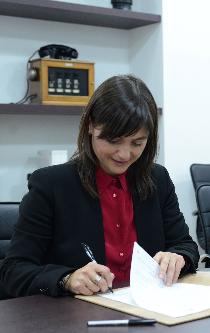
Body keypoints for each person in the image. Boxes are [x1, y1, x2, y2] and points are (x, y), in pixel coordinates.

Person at [0, 75, 199, 297]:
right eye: (113, 141)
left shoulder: (157, 179)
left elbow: (185, 245)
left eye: (137, 143)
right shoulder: (51, 185)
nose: (124, 154)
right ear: (91, 126)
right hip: (78, 319)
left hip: (149, 312)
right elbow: (13, 271)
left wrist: (177, 257)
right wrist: (67, 278)